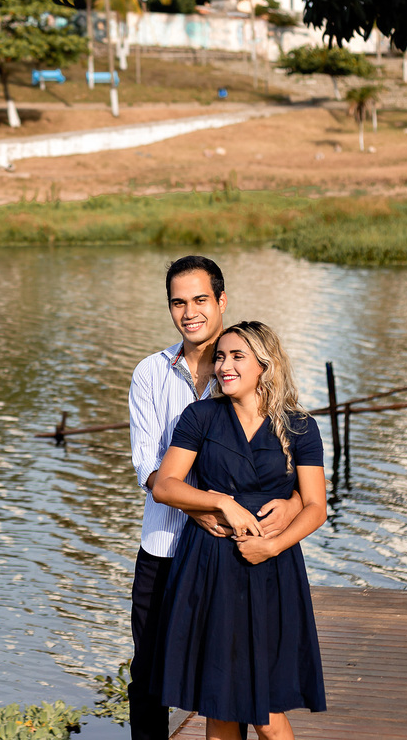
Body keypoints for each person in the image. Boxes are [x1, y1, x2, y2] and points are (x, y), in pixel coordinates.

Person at [127, 259, 303, 740]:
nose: (190, 312)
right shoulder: (150, 373)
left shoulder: (246, 363)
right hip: (165, 548)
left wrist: (292, 504)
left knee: (231, 676)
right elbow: (149, 470)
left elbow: (278, 458)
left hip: (230, 554)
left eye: (200, 299)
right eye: (178, 302)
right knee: (150, 675)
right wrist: (204, 505)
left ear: (221, 301)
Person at [150, 321, 328, 740]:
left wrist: (273, 546)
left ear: (265, 364)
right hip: (209, 565)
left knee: (266, 714)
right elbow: (164, 486)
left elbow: (316, 506)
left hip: (272, 570)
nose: (223, 366)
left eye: (236, 356)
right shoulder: (201, 416)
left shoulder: (300, 426)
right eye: (220, 357)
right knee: (220, 704)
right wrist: (221, 503)